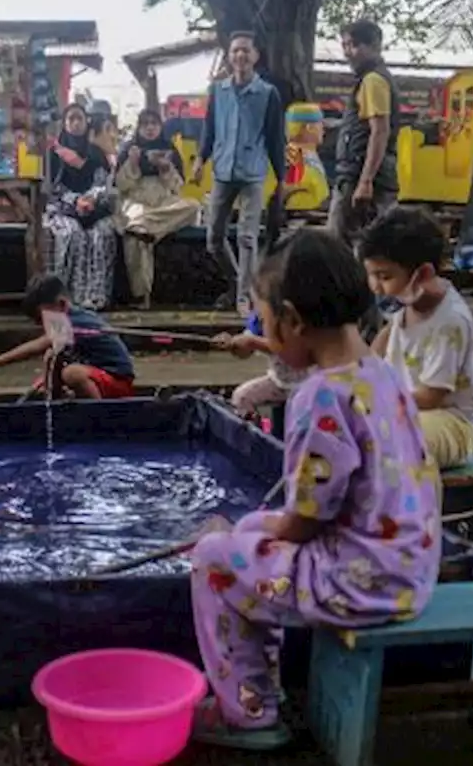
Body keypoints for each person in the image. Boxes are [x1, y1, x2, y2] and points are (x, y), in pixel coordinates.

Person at [188, 230, 440, 750]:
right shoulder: (381, 374)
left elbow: (305, 517)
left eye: (263, 319)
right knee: (252, 529)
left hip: (359, 586)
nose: (262, 331)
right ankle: (262, 683)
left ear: (293, 320)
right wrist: (266, 529)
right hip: (410, 569)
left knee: (213, 556)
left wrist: (267, 530)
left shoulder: (319, 396)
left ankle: (248, 711)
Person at [361, 209, 473, 469]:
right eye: (372, 275)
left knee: (391, 439)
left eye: (384, 277)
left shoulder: (449, 322)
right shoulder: (410, 303)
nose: (375, 286)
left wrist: (379, 398)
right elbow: (382, 343)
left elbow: (431, 396)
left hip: (450, 423)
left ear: (424, 274)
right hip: (407, 411)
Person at [191, 32, 285, 314]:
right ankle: (239, 281)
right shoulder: (217, 91)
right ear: (229, 57)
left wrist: (281, 179)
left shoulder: (268, 94)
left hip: (252, 172)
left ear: (255, 56)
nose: (240, 56)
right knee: (214, 239)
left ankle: (244, 297)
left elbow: (275, 139)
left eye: (245, 51)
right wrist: (200, 160)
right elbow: (209, 129)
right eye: (235, 52)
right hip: (222, 170)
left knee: (247, 236)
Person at [0, 273, 135, 400]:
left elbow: (37, 346)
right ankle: (55, 405)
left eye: (42, 318)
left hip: (118, 380)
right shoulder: (65, 319)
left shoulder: (76, 321)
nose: (43, 325)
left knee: (72, 373)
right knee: (50, 362)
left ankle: (100, 417)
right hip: (97, 375)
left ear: (61, 305)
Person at [327, 20, 401, 247]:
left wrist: (365, 181)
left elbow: (380, 131)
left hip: (363, 176)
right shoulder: (368, 80)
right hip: (358, 173)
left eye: (354, 45)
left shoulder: (373, 80)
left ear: (374, 45)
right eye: (345, 45)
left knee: (345, 246)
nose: (348, 52)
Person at [115, 109, 198, 308]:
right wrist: (132, 165)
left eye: (154, 124)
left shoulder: (169, 148)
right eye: (146, 124)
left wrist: (166, 169)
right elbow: (121, 186)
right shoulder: (129, 148)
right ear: (139, 127)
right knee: (136, 228)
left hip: (163, 201)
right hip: (137, 199)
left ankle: (145, 227)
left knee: (193, 207)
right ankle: (142, 296)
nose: (150, 128)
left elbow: (178, 187)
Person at [45, 104, 117, 311]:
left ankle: (96, 297)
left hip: (95, 209)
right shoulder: (55, 153)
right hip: (62, 209)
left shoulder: (96, 153)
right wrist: (75, 201)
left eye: (80, 119)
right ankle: (66, 297)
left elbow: (104, 183)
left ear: (87, 123)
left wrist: (92, 199)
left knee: (102, 235)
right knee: (72, 234)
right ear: (65, 124)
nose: (76, 124)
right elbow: (52, 187)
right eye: (71, 119)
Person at [213, 303, 308, 424]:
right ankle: (255, 434)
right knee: (241, 398)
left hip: (309, 381)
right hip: (278, 382)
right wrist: (233, 344)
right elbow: (245, 352)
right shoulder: (259, 315)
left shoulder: (299, 311)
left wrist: (253, 342)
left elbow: (287, 348)